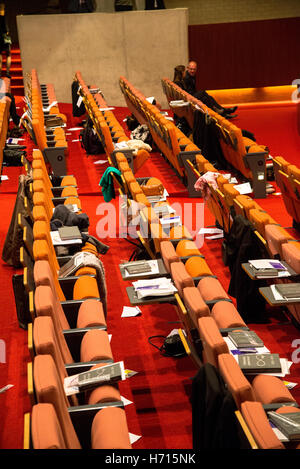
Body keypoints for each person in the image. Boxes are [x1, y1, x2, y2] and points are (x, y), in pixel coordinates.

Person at [0, 3, 11, 78]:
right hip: (4, 36)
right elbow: (5, 27)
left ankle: (0, 74)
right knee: (8, 54)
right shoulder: (2, 16)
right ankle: (7, 72)